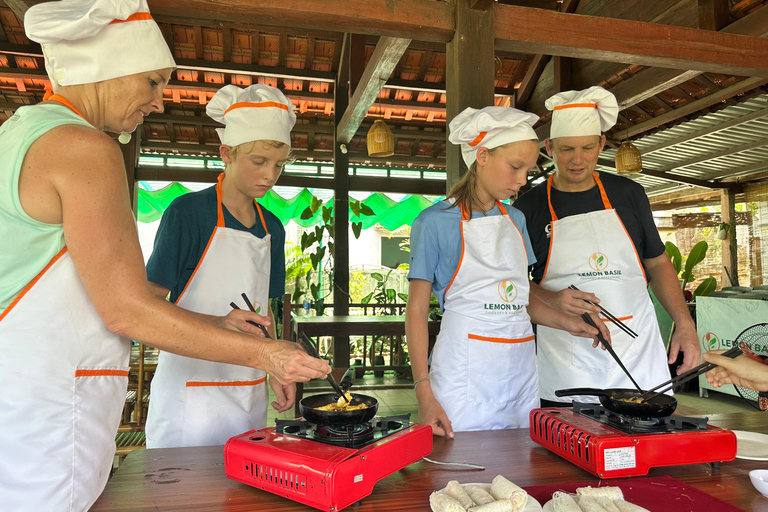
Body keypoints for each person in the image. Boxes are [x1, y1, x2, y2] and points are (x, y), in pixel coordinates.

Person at [0, 1, 329, 510]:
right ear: (107, 66)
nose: (159, 101)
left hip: (28, 395)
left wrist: (227, 329)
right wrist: (268, 354)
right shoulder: (83, 147)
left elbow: (108, 291)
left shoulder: (22, 133)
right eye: (152, 81)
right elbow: (128, 307)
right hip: (48, 409)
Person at [405, 106, 609, 437]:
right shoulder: (433, 223)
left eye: (528, 169)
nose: (522, 179)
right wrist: (424, 392)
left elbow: (518, 297)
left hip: (519, 371)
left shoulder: (516, 220)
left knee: (518, 477)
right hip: (463, 374)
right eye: (515, 167)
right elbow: (415, 311)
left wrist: (570, 324)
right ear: (481, 156)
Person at [514, 86, 700, 407]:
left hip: (638, 350)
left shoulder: (629, 194)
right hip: (566, 356)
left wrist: (684, 324)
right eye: (566, 149)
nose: (577, 159)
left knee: (645, 444)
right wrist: (553, 298)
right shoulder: (528, 206)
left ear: (601, 143)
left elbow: (657, 262)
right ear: (548, 148)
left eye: (587, 147)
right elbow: (514, 280)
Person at [146, 84, 295, 448]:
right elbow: (147, 310)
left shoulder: (272, 227)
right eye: (258, 162)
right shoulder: (187, 214)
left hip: (248, 389)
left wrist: (275, 365)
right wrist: (219, 323)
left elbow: (265, 310)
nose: (270, 175)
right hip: (189, 393)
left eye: (278, 164)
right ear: (226, 153)